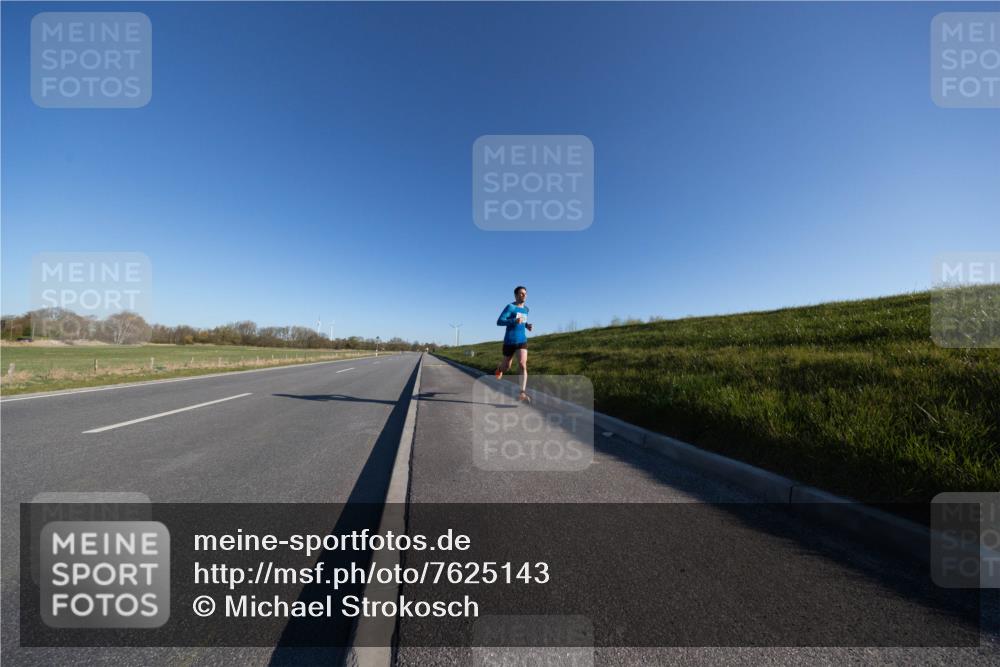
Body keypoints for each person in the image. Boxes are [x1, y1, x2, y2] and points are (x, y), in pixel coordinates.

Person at [494, 285, 533, 402]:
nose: (524, 295)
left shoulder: (526, 309)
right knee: (507, 366)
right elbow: (499, 322)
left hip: (522, 340)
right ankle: (499, 369)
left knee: (522, 364)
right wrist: (513, 321)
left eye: (525, 293)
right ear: (516, 295)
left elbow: (522, 321)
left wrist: (527, 325)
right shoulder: (510, 307)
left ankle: (522, 393)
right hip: (509, 341)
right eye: (521, 293)